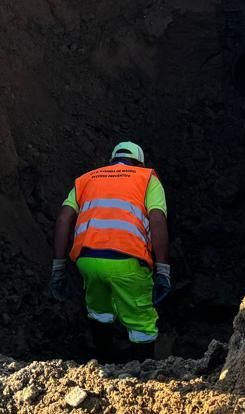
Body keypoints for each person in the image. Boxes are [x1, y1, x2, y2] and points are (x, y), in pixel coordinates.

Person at [50, 141, 171, 358]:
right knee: (141, 323)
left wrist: (58, 267)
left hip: (87, 261)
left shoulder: (86, 179)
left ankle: (103, 360)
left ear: (112, 161)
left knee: (99, 311)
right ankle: (142, 374)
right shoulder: (146, 178)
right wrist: (163, 269)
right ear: (138, 163)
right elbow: (157, 219)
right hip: (128, 261)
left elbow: (63, 219)